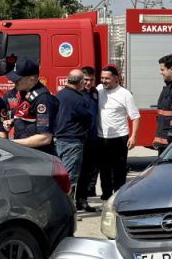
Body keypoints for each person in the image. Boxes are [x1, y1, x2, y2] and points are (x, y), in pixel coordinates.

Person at [96, 65, 141, 200]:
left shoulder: (125, 94)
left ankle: (119, 197)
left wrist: (133, 137)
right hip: (101, 137)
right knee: (103, 170)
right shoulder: (98, 90)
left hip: (119, 138)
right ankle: (106, 196)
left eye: (107, 78)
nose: (103, 81)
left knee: (119, 170)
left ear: (116, 79)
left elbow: (135, 117)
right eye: (102, 78)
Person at [55, 69, 96, 211]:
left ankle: (64, 206)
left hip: (59, 139)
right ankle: (66, 210)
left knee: (61, 175)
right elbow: (87, 118)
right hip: (73, 141)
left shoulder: (60, 94)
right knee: (69, 179)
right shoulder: (78, 98)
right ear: (79, 82)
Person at [3, 58, 58, 155]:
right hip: (25, 152)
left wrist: (10, 144)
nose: (14, 82)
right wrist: (13, 121)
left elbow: (45, 138)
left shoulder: (43, 100)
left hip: (39, 155)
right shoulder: (24, 92)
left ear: (31, 79)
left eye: (17, 80)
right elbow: (29, 118)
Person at [76, 66, 102, 211]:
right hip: (78, 139)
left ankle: (82, 200)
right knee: (75, 172)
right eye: (86, 80)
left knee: (87, 172)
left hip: (92, 139)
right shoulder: (76, 93)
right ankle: (70, 202)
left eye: (91, 80)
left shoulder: (94, 93)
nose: (88, 83)